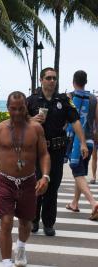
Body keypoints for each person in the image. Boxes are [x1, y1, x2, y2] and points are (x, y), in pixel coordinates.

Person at [0, 91, 50, 267]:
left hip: (29, 181)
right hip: (5, 181)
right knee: (6, 222)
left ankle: (21, 247)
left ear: (26, 107)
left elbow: (44, 154)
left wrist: (45, 176)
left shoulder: (36, 128)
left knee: (26, 223)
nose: (17, 113)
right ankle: (6, 262)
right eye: (13, 109)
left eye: (21, 108)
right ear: (7, 108)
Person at [27, 67, 89, 236]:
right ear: (41, 80)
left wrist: (83, 142)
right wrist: (32, 119)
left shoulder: (62, 100)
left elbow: (75, 120)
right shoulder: (32, 100)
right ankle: (33, 220)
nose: (52, 81)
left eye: (54, 78)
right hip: (37, 151)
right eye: (48, 78)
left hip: (56, 150)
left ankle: (48, 223)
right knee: (36, 184)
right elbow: (18, 121)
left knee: (52, 187)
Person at [64, 70, 98, 220]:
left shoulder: (69, 97)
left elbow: (65, 120)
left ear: (73, 81)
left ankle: (93, 203)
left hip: (76, 141)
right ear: (86, 82)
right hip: (90, 141)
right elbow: (97, 121)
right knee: (81, 173)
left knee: (77, 171)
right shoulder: (93, 98)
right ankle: (74, 203)